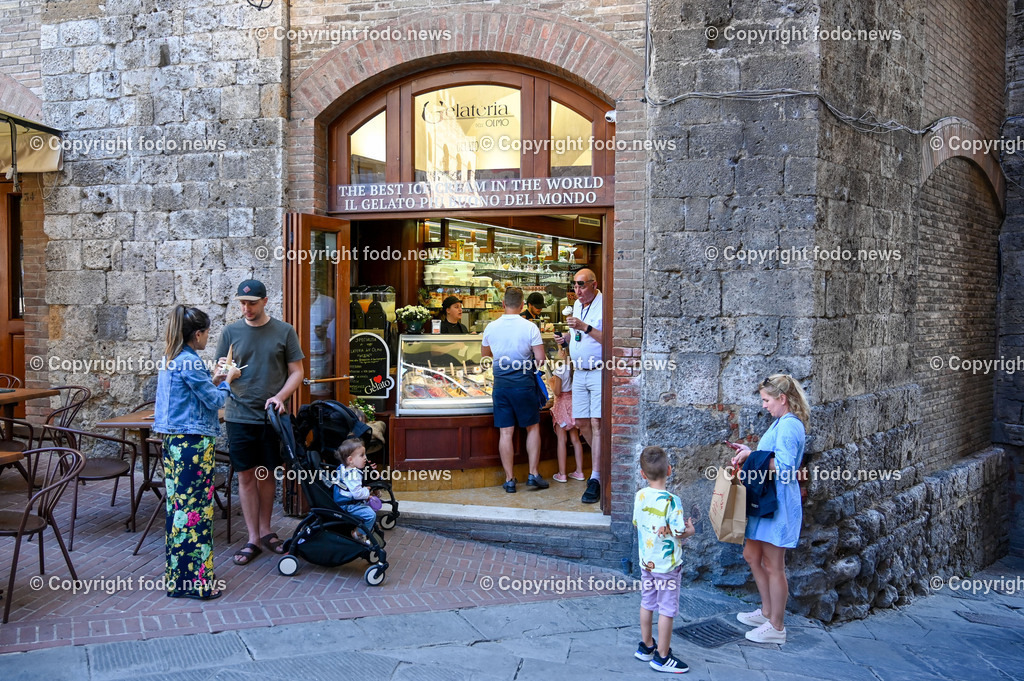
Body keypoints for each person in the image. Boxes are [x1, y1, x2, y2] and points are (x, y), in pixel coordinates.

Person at [154, 305, 241, 600]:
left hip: (174, 443)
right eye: (206, 333)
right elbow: (214, 401)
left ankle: (180, 579)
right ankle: (197, 583)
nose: (208, 338)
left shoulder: (171, 358)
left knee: (179, 511)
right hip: (193, 445)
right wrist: (229, 379)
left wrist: (214, 379)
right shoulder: (189, 361)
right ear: (198, 334)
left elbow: (196, 395)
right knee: (197, 514)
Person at [216, 279, 305, 566]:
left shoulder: (284, 331)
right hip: (238, 415)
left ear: (265, 301)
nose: (246, 308)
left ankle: (267, 530)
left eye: (252, 303)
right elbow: (218, 374)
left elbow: (297, 372)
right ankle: (252, 537)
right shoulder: (230, 331)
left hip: (271, 417)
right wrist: (224, 375)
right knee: (245, 476)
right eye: (242, 303)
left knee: (267, 474)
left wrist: (280, 397)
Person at [726, 373, 809, 644]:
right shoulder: (780, 423)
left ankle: (777, 626)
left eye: (767, 400)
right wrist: (750, 452)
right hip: (765, 501)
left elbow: (785, 469)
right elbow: (771, 457)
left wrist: (752, 457)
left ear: (782, 399)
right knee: (752, 555)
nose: (764, 405)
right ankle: (766, 611)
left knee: (774, 565)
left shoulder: (789, 426)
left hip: (778, 504)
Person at [632, 446, 694, 673]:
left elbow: (638, 524)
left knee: (647, 602)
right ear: (669, 470)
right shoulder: (672, 501)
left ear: (642, 474)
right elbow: (678, 532)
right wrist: (690, 531)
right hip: (667, 566)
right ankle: (662, 656)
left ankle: (646, 645)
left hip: (646, 562)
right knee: (667, 608)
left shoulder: (639, 496)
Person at [481, 287, 549, 492]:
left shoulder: (491, 327)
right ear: (522, 305)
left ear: (503, 304)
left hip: (501, 384)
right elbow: (540, 359)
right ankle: (533, 474)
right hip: (523, 384)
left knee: (506, 432)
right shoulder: (530, 328)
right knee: (532, 427)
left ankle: (510, 480)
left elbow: (485, 354)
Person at [560, 268, 603, 504]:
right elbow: (574, 335)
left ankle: (596, 476)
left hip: (598, 371)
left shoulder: (605, 304)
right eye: (575, 285)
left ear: (594, 285)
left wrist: (585, 327)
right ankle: (602, 464)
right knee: (582, 422)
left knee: (597, 422)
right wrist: (565, 338)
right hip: (579, 372)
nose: (577, 290)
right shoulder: (577, 305)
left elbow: (610, 338)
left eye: (581, 285)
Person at [331, 438, 381, 545]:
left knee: (367, 504)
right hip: (348, 505)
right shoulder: (354, 475)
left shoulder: (342, 468)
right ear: (350, 460)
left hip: (342, 501)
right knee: (371, 515)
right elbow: (357, 494)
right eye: (362, 455)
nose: (365, 458)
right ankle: (358, 533)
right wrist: (367, 492)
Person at [550, 342, 584, 483]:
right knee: (575, 440)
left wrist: (551, 383)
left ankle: (562, 474)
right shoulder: (575, 368)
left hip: (561, 406)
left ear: (562, 353)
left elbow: (557, 392)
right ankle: (580, 472)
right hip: (573, 404)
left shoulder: (560, 370)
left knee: (561, 440)